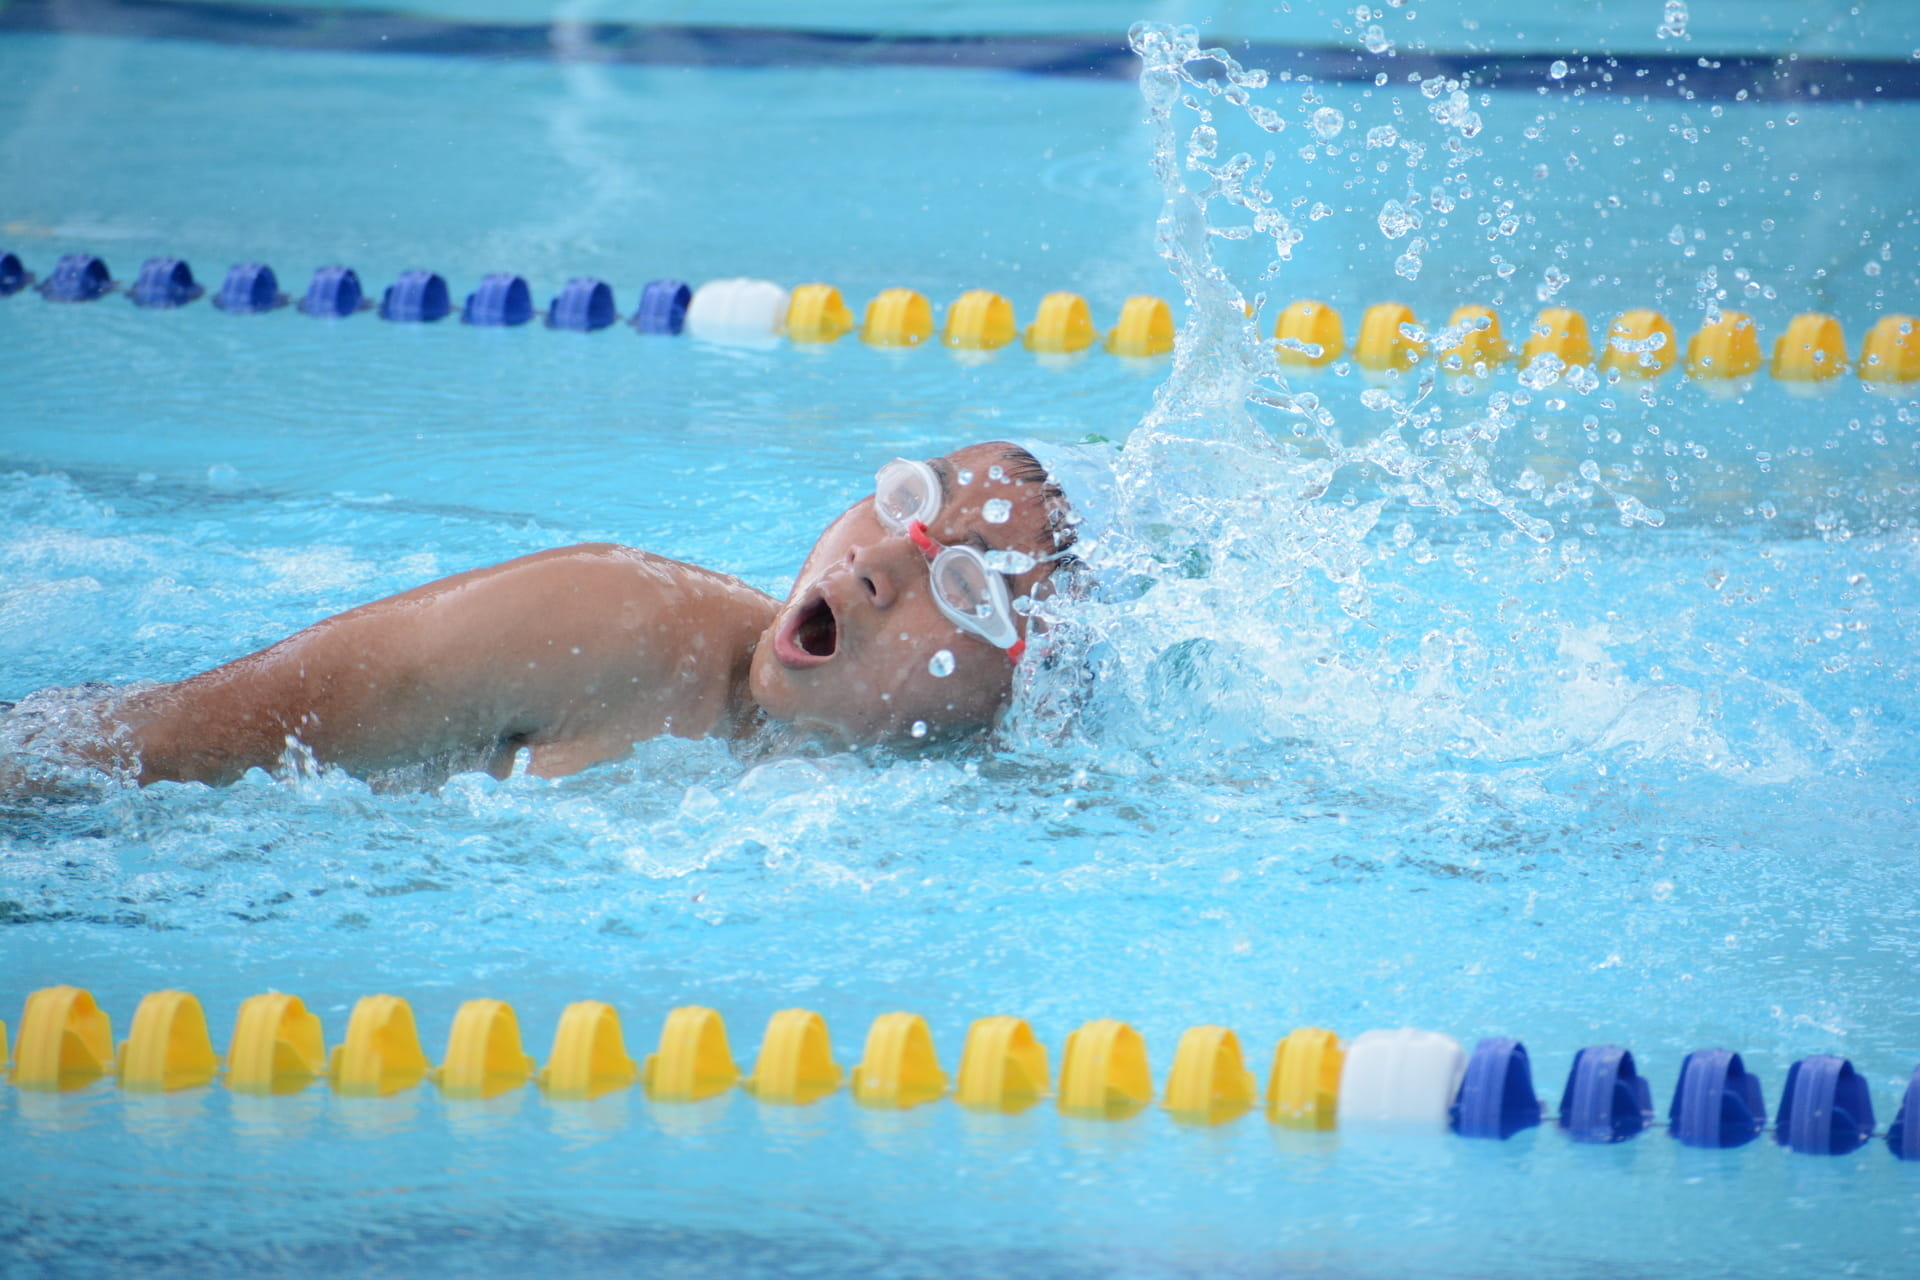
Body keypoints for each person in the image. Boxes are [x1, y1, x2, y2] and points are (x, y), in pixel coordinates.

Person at [6, 441, 1079, 787]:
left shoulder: (1012, 816)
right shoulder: (612, 625)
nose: (877, 560)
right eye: (910, 499)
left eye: (966, 582)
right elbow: (151, 745)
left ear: (1022, 686)